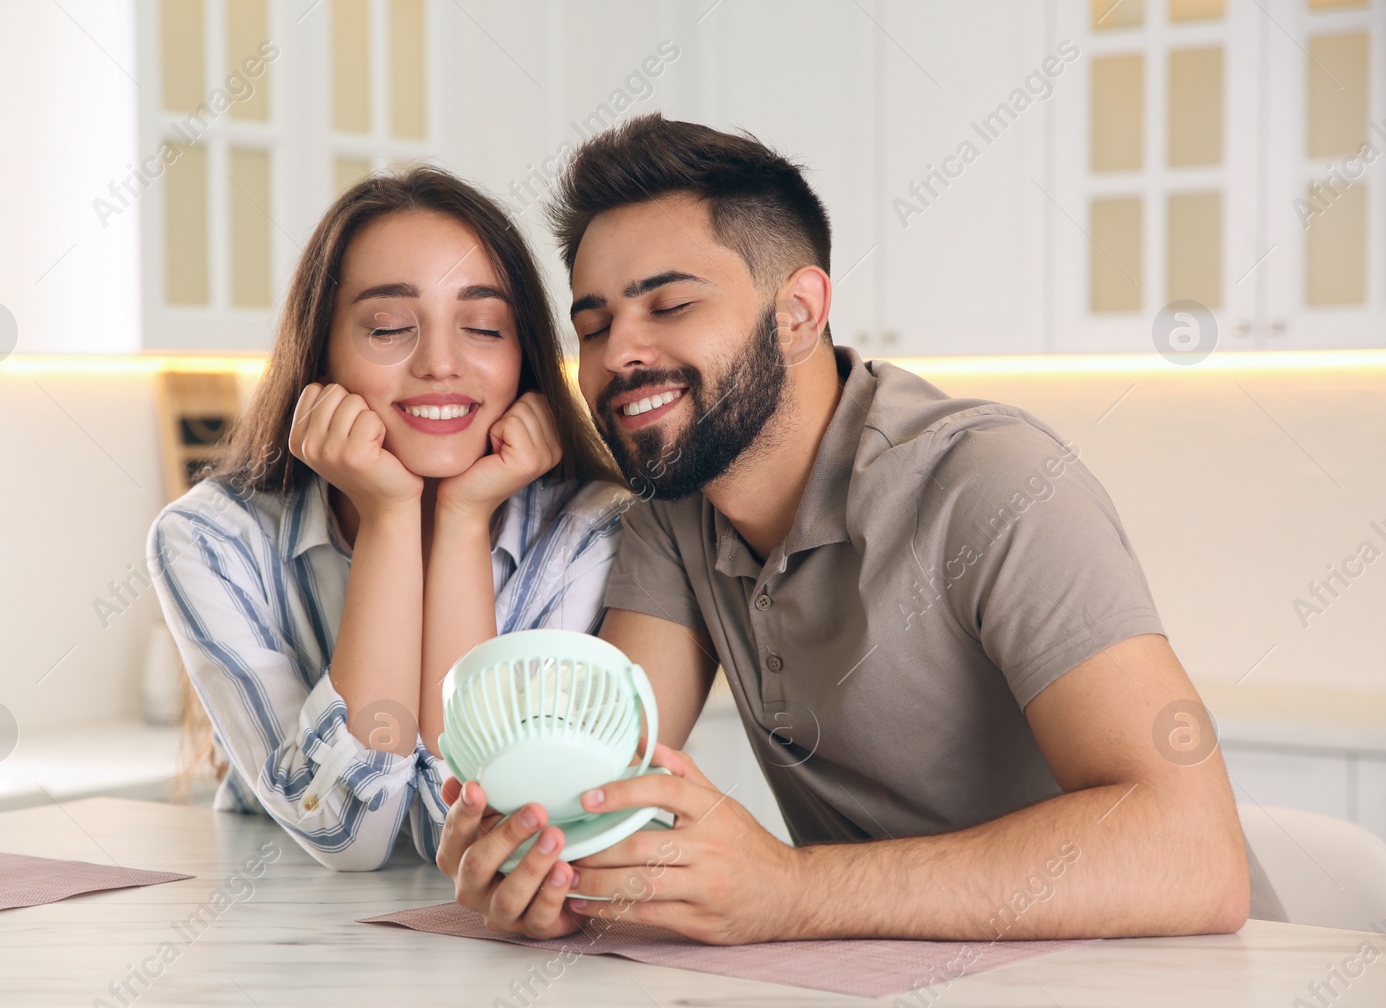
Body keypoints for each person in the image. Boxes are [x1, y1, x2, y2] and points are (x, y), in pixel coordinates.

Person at [437, 115, 1280, 943]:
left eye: (670, 304)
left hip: (1161, 1002)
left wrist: (793, 891)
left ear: (799, 312)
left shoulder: (993, 482)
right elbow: (602, 789)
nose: (620, 351)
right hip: (896, 1004)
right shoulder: (675, 514)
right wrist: (542, 868)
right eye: (592, 325)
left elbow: (1195, 853)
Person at [148, 168, 627, 871]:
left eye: (485, 327)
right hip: (285, 936)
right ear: (322, 351)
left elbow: (470, 827)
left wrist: (463, 522)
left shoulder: (591, 533)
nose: (440, 362)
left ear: (522, 353)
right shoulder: (211, 540)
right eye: (389, 327)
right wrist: (391, 515)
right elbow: (349, 833)